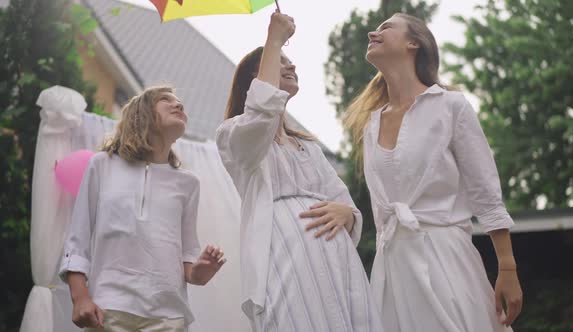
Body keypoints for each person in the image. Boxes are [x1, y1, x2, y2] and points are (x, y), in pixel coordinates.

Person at [344, 12, 523, 332]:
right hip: (393, 269)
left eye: (385, 27)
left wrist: (506, 266)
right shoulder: (371, 125)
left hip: (446, 257)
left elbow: (486, 192)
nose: (373, 32)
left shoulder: (451, 106)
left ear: (415, 43)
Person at [216, 11, 382, 332]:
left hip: (336, 260)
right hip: (282, 258)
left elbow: (345, 204)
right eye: (280, 60)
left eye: (289, 59)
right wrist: (273, 39)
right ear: (255, 79)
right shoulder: (233, 134)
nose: (291, 65)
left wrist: (347, 214)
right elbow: (259, 118)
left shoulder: (308, 148)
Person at [59, 85, 226, 331]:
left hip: (169, 318)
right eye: (166, 100)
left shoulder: (188, 183)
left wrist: (201, 271)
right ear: (142, 113)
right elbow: (77, 240)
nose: (178, 105)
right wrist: (80, 297)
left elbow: (188, 258)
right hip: (108, 311)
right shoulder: (101, 165)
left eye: (180, 102)